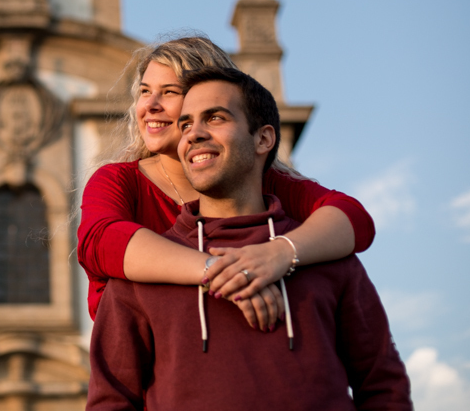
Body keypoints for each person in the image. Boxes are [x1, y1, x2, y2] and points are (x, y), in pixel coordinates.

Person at [86, 67, 411, 410]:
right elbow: (111, 402)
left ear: (263, 139)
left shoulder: (327, 255)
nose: (194, 134)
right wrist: (220, 271)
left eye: (214, 118)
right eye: (184, 124)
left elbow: (382, 386)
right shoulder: (137, 277)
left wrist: (281, 253)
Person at [78, 36, 376, 329]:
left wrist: (278, 254)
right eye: (145, 91)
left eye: (169, 92)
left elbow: (353, 218)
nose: (150, 105)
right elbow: (101, 242)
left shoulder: (260, 180)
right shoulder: (120, 180)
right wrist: (222, 273)